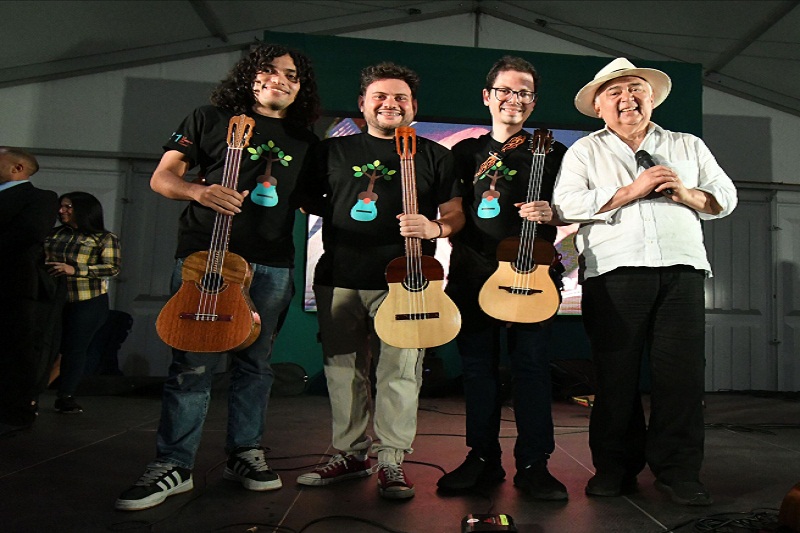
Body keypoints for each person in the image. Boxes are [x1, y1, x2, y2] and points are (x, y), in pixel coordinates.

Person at [115, 43, 321, 511]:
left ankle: (244, 453)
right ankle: (173, 465)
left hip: (271, 264)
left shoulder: (305, 140)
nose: (280, 79)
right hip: (205, 259)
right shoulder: (208, 118)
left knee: (256, 365)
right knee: (192, 363)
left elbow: (313, 201)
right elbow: (162, 177)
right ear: (250, 76)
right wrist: (198, 192)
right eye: (269, 70)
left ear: (300, 87)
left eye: (292, 75)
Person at [552, 58, 738, 506]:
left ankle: (679, 473)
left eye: (636, 89)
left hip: (682, 270)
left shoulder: (686, 144)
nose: (627, 98)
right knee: (615, 376)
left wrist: (686, 194)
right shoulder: (585, 151)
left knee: (682, 378)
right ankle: (615, 469)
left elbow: (726, 197)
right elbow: (566, 205)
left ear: (651, 98)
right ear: (599, 106)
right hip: (614, 273)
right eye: (614, 92)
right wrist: (632, 190)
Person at [295, 62, 463, 500]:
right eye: (381, 96)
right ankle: (350, 455)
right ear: (363, 104)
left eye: (400, 98)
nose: (391, 104)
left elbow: (455, 213)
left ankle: (391, 459)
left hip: (409, 282)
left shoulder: (435, 155)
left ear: (413, 107)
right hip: (341, 276)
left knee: (401, 374)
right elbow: (307, 202)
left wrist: (435, 228)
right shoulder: (331, 151)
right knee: (343, 371)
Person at [435, 57, 569, 500]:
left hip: (534, 274)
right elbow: (453, 210)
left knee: (532, 369)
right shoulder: (464, 153)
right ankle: (482, 459)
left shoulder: (554, 153)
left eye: (524, 92)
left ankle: (534, 464)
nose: (515, 99)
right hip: (472, 272)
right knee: (477, 370)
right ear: (487, 97)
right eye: (506, 91)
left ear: (534, 102)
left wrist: (554, 213)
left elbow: (575, 206)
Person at [45, 192, 121, 414]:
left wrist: (76, 270)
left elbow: (112, 268)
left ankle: (66, 396)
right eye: (61, 206)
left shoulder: (104, 238)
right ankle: (30, 394)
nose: (62, 211)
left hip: (87, 300)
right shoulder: (54, 234)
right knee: (47, 346)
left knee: (75, 349)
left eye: (68, 207)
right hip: (54, 299)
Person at [0, 147, 59, 434]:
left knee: (14, 350)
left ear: (17, 168)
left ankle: (14, 413)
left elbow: (28, 233)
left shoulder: (40, 198)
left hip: (11, 285)